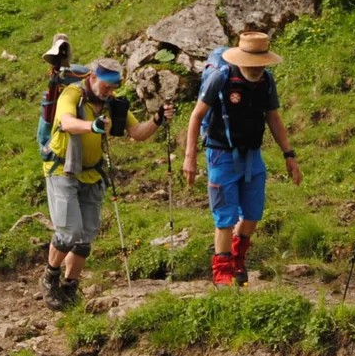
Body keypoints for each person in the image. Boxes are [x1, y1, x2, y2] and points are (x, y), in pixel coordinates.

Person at [40, 59, 168, 309]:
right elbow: (66, 122)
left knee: (85, 236)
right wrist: (93, 126)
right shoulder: (72, 93)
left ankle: (69, 288)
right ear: (93, 78)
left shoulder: (111, 101)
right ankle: (49, 278)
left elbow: (136, 133)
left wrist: (157, 119)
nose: (110, 91)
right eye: (107, 86)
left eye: (113, 87)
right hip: (62, 170)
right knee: (69, 232)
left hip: (92, 173)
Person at [184, 31, 302, 287]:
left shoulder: (267, 81)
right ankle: (222, 270)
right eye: (253, 64)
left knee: (252, 213)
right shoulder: (221, 79)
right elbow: (195, 117)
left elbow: (273, 118)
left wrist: (289, 154)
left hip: (252, 155)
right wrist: (190, 157)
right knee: (225, 216)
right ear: (241, 59)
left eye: (262, 64)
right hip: (220, 154)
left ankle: (237, 257)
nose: (258, 69)